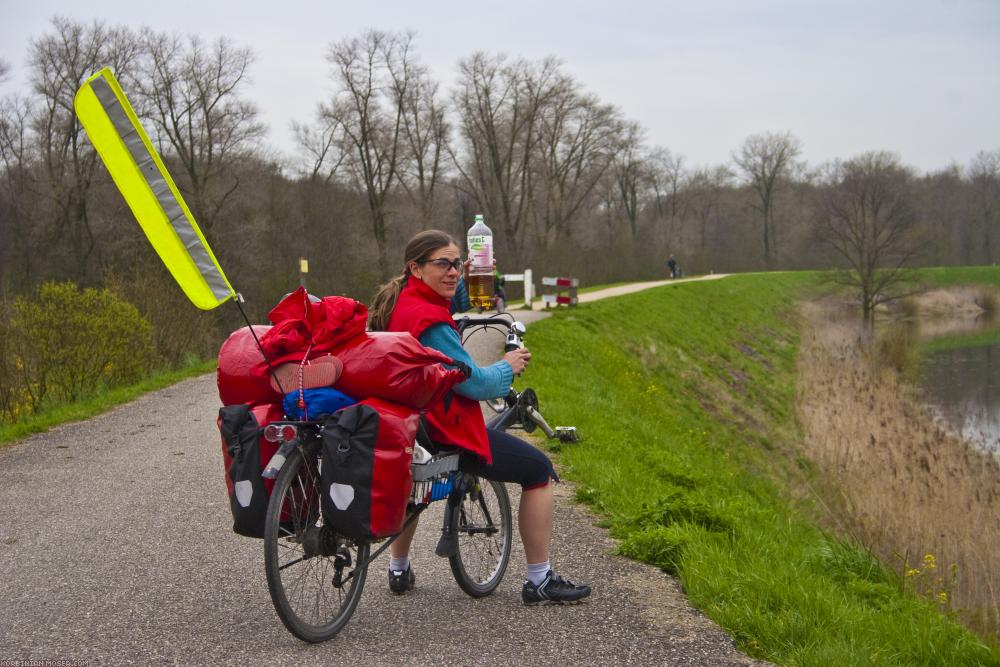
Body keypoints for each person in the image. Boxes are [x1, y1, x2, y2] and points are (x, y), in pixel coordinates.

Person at [369, 230, 591, 605]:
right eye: (443, 264)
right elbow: (472, 384)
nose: (453, 271)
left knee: (414, 486)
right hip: (443, 427)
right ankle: (539, 579)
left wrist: (460, 276)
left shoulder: (400, 302)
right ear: (415, 268)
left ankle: (398, 568)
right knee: (538, 470)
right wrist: (507, 366)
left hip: (408, 424)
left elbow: (443, 304)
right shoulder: (433, 324)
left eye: (457, 264)